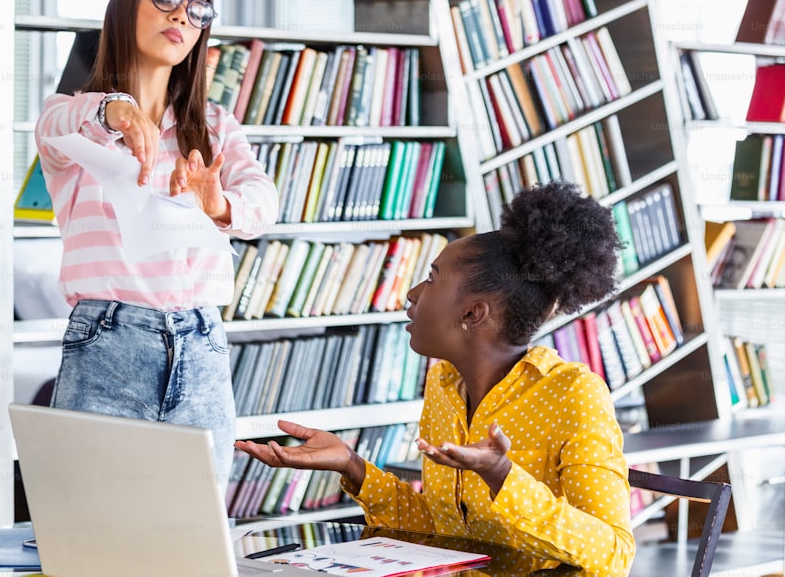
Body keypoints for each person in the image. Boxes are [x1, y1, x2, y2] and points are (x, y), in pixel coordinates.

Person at [235, 181, 635, 576]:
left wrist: (501, 476)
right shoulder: (443, 383)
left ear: (473, 314)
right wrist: (352, 465)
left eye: (431, 277)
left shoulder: (573, 394)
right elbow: (441, 535)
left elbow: (614, 552)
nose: (411, 293)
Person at [34, 0, 278, 484]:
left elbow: (263, 203)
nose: (180, 15)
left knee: (195, 538)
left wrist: (218, 204)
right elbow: (55, 128)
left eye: (198, 9)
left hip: (202, 343)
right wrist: (114, 109)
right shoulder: (71, 118)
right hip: (107, 342)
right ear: (126, 5)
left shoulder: (215, 125)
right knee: (93, 534)